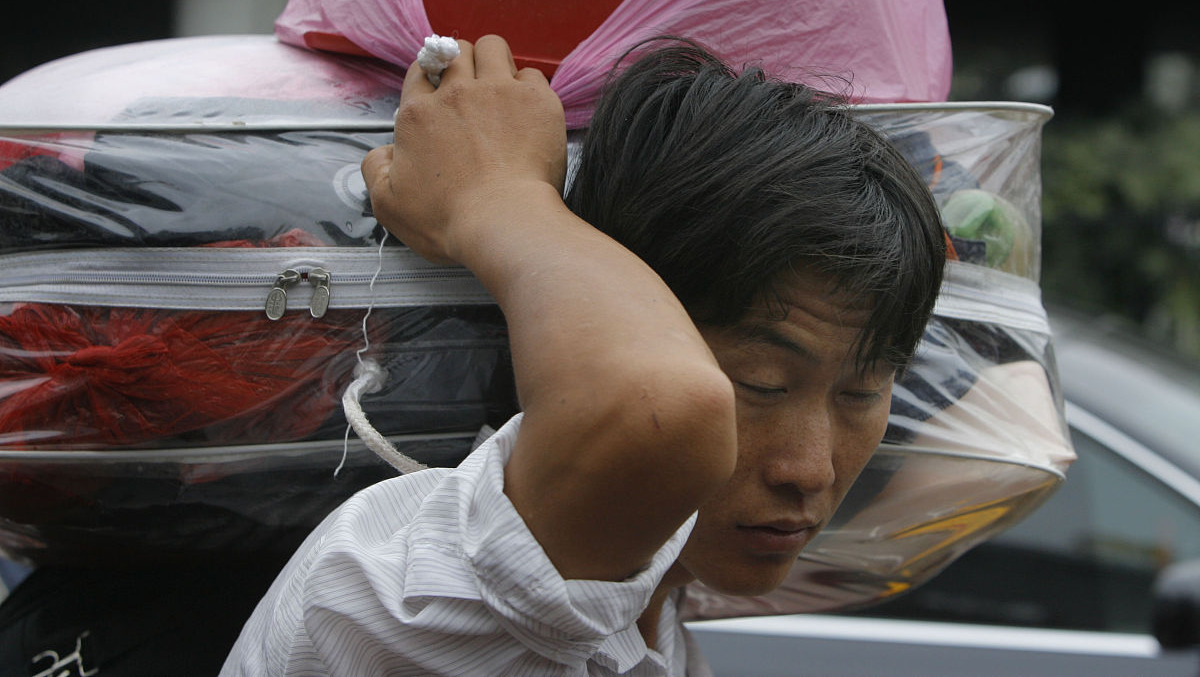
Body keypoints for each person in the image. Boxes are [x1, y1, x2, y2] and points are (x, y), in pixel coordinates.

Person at [221, 34, 946, 676]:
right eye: (758, 383)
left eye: (863, 392)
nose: (810, 470)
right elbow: (658, 409)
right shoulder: (436, 588)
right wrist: (494, 197)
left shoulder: (657, 627)